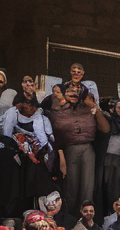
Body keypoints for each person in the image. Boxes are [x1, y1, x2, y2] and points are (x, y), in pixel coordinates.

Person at [46, 81, 110, 213]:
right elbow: (56, 134)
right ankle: (70, 217)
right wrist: (62, 157)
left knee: (88, 187)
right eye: (71, 91)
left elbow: (105, 129)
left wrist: (95, 108)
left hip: (88, 149)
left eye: (77, 91)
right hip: (68, 150)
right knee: (71, 187)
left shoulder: (88, 109)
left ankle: (86, 216)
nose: (74, 93)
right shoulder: (57, 109)